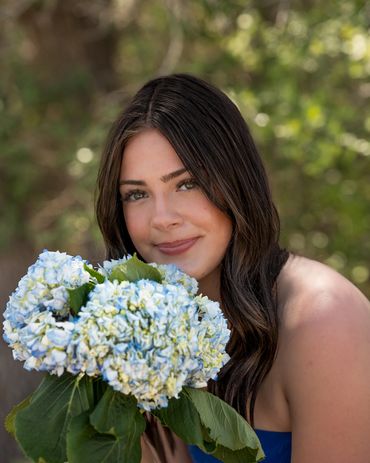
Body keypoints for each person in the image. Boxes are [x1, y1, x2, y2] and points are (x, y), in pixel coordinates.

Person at [95, 73, 370, 463]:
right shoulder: (142, 333)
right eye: (136, 194)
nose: (162, 218)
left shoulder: (323, 318)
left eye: (187, 183)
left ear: (235, 180)